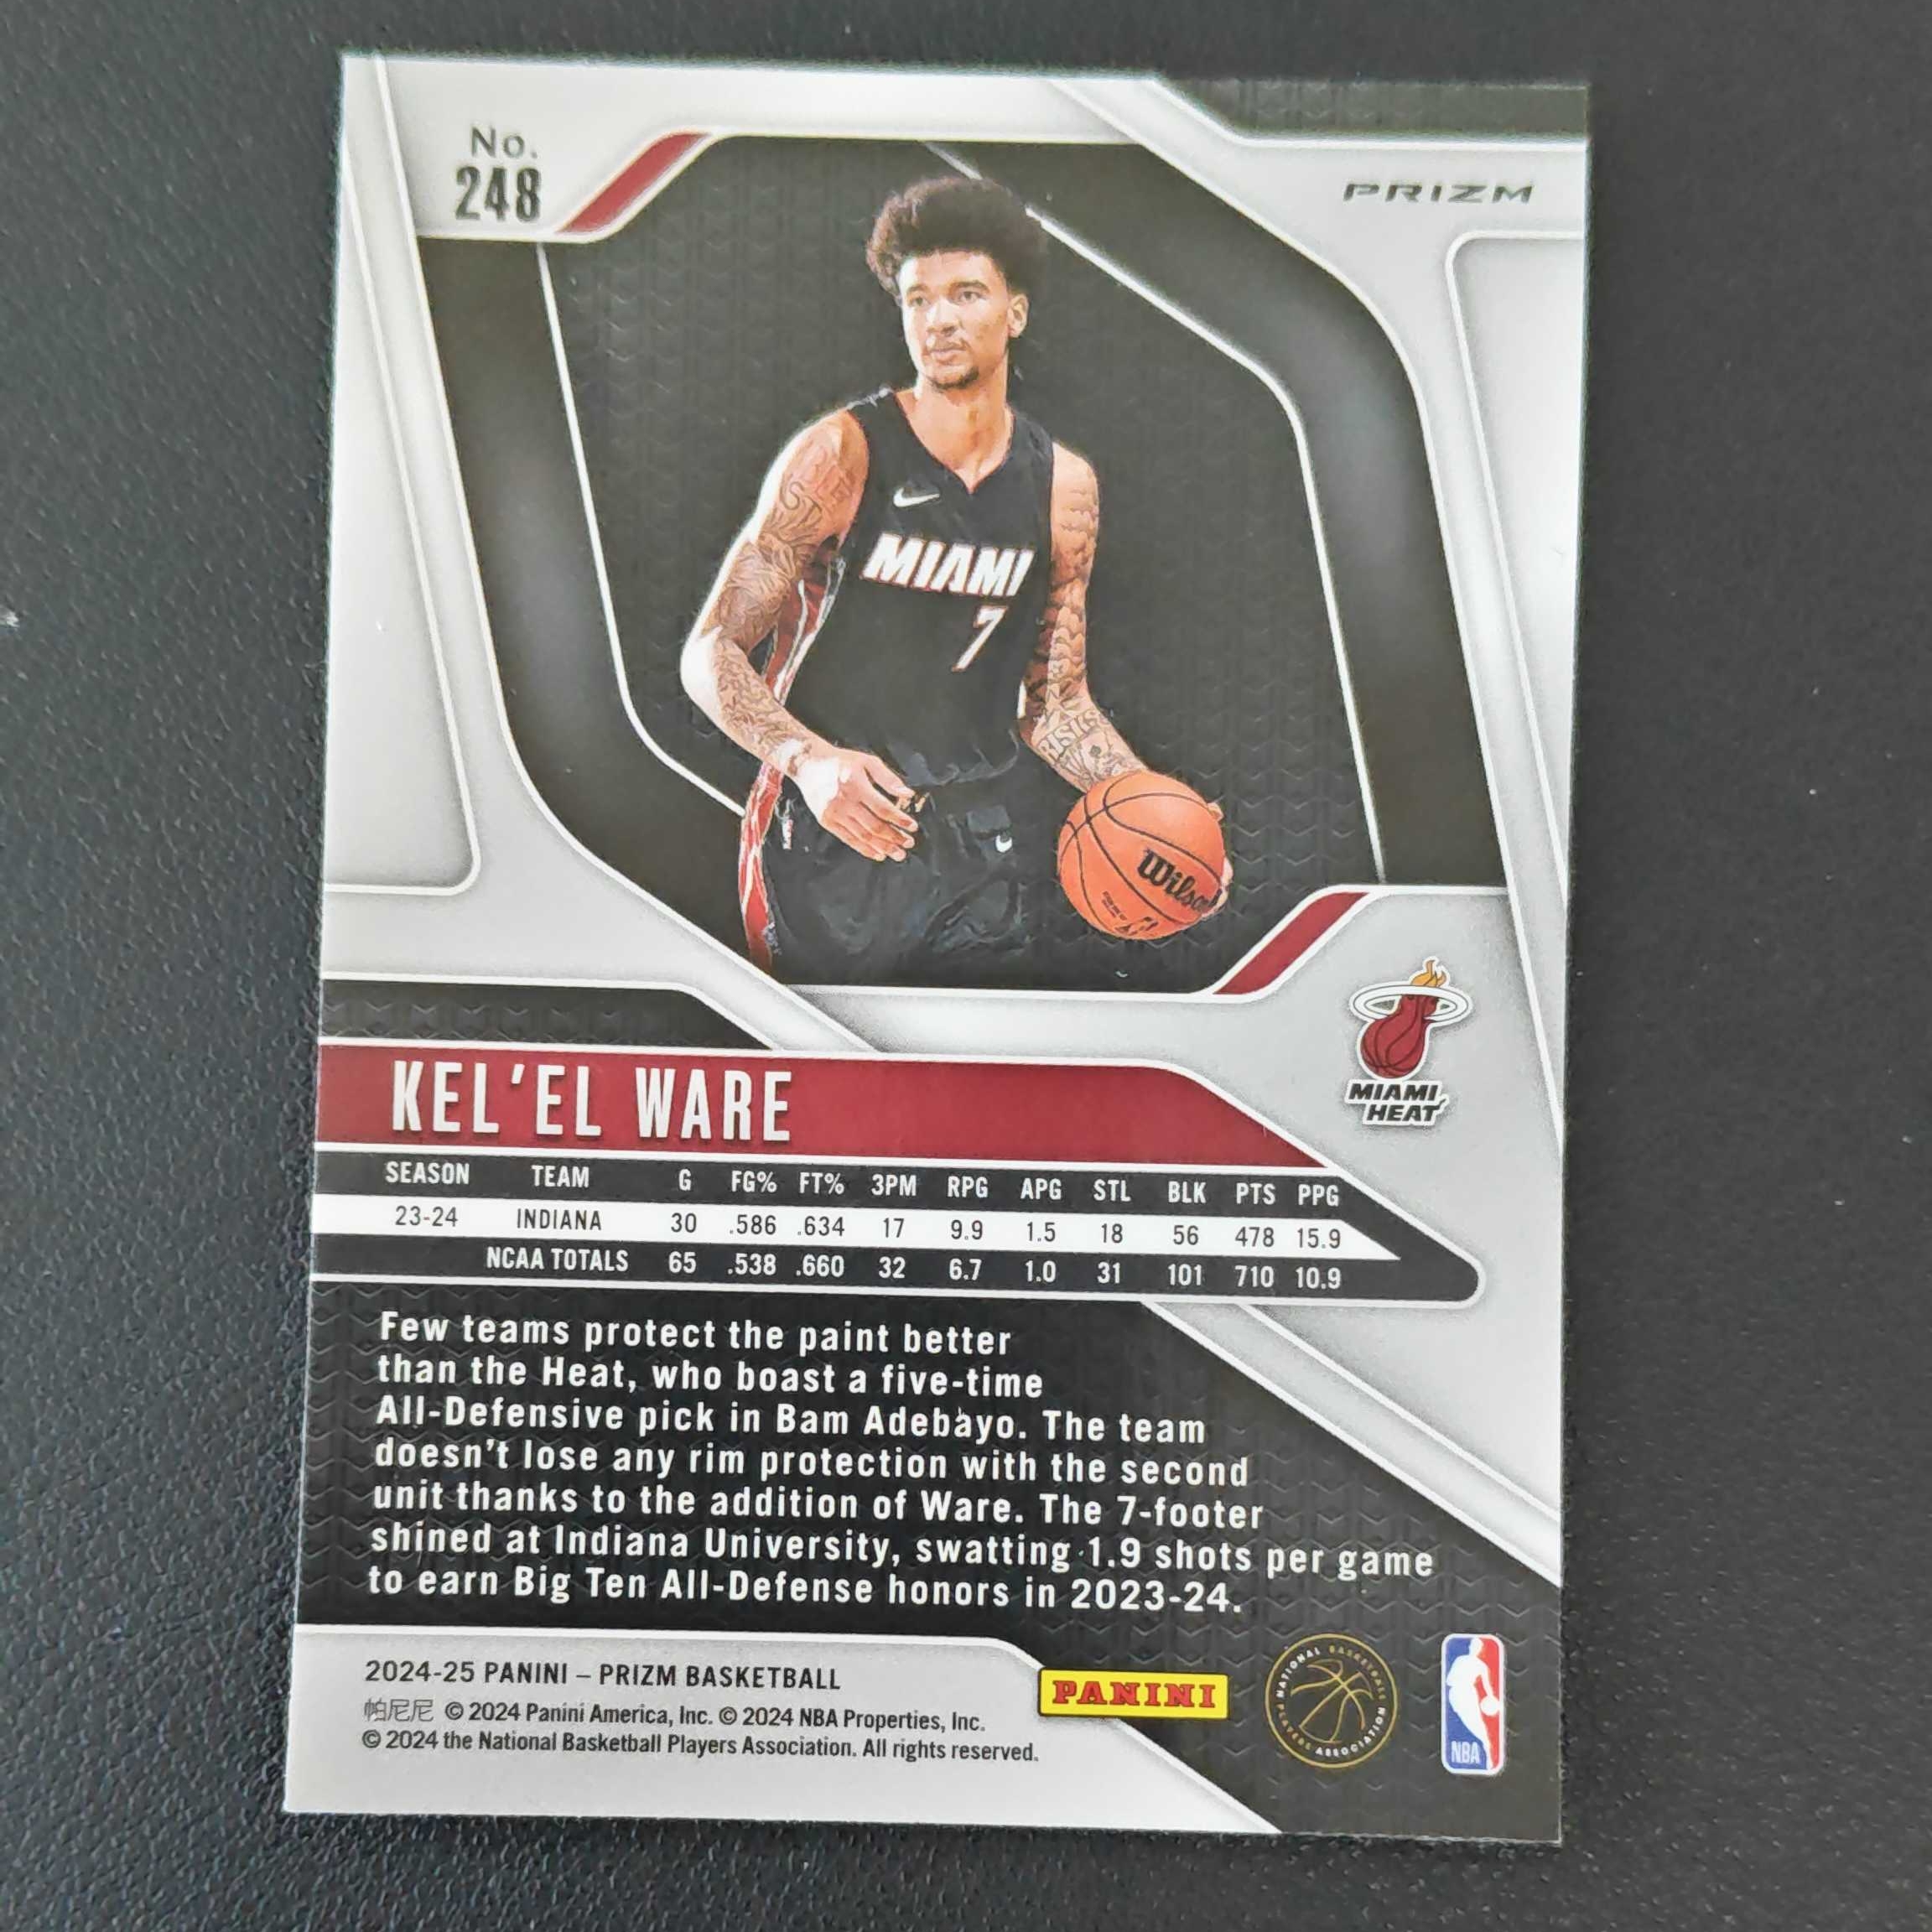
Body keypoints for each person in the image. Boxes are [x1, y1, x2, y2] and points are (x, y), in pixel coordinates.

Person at [681, 174, 1223, 984]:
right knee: (833, 1062)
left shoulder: (1063, 487)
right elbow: (711, 649)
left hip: (978, 847)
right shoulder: (841, 455)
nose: (938, 320)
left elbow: (1055, 703)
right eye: (918, 300)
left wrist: (1161, 815)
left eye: (966, 294)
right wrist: (809, 762)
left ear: (1015, 312)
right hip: (834, 835)